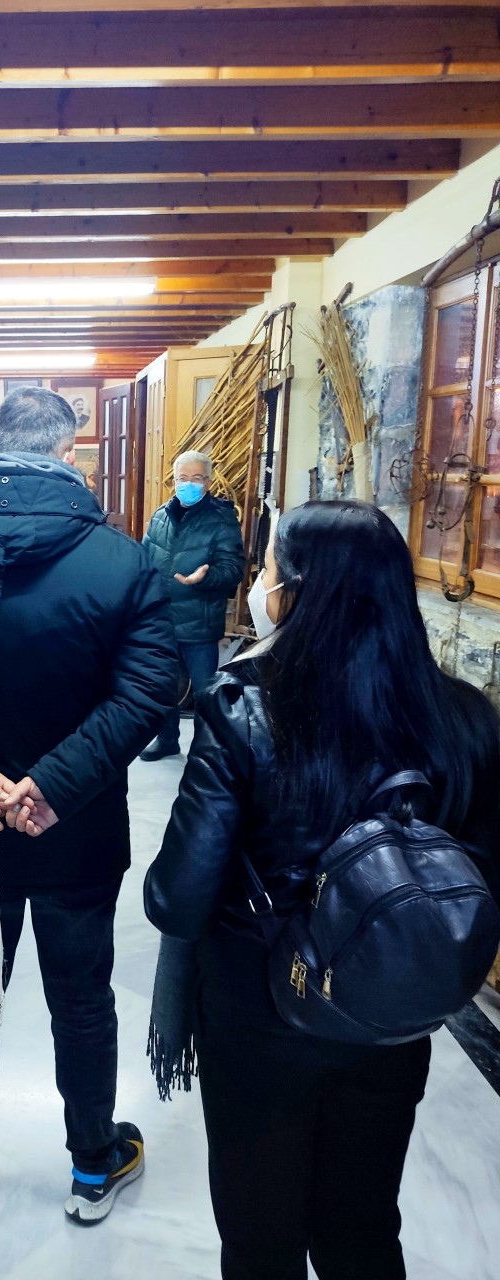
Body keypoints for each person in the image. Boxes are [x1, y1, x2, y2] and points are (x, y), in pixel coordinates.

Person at [143, 501, 500, 1280]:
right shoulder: (465, 720)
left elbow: (178, 897)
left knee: (260, 1238)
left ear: (298, 590)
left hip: (261, 1014)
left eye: (271, 566)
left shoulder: (244, 708)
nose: (262, 581)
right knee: (362, 1231)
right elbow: (481, 884)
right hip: (393, 1018)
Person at [0, 386, 177, 1234]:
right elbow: (149, 692)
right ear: (68, 453)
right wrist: (50, 786)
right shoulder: (121, 560)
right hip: (76, 825)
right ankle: (93, 1164)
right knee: (82, 998)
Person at [139, 450, 244, 761]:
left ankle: (205, 752)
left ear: (208, 482)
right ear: (173, 481)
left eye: (196, 478)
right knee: (163, 686)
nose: (188, 484)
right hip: (162, 619)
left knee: (204, 693)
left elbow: (233, 569)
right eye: (182, 478)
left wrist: (206, 577)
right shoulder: (160, 516)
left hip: (200, 622)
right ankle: (167, 740)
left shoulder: (221, 519)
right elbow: (144, 559)